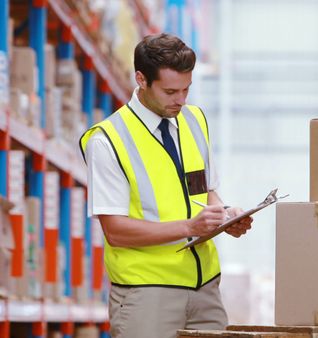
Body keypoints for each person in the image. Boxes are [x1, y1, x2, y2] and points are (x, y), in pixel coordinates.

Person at [79, 33, 253, 338]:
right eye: (171, 91)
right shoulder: (107, 140)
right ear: (141, 80)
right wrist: (190, 227)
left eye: (186, 90)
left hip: (206, 290)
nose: (181, 101)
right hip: (148, 294)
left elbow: (204, 191)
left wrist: (225, 216)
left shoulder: (194, 120)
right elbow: (115, 231)